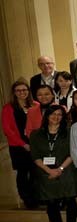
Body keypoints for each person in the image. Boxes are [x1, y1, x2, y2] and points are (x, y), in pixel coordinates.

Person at [29, 105, 77, 222]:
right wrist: (49, 170)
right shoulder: (36, 134)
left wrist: (60, 168)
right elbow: (35, 156)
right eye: (53, 114)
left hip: (66, 170)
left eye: (59, 115)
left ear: (63, 117)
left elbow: (73, 153)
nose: (56, 117)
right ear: (47, 116)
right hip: (46, 173)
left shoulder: (69, 133)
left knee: (70, 200)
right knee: (51, 203)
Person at [2, 80, 39, 209]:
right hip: (18, 146)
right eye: (18, 90)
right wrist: (23, 144)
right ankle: (27, 199)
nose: (22, 93)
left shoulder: (35, 105)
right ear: (14, 93)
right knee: (23, 173)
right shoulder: (9, 108)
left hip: (35, 144)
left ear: (28, 91)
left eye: (24, 90)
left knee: (36, 172)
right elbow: (8, 130)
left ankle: (36, 197)